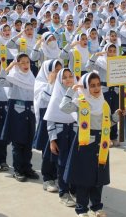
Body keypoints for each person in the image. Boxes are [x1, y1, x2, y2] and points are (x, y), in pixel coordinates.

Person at [60, 72, 122, 217]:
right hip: (85, 145)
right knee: (84, 178)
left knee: (98, 177)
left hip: (102, 145)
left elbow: (107, 123)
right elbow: (63, 107)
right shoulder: (81, 102)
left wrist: (116, 117)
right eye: (92, 85)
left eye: (98, 85)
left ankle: (96, 207)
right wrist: (72, 91)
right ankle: (82, 209)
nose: (96, 88)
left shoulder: (104, 103)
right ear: (86, 87)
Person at [0, 53, 38, 182]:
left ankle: (27, 168)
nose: (25, 65)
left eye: (27, 62)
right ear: (17, 64)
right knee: (18, 143)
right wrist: (10, 67)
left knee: (28, 143)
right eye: (22, 62)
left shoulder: (32, 78)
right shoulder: (13, 77)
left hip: (30, 112)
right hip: (17, 113)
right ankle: (18, 169)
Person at [44, 68, 78, 207]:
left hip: (75, 133)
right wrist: (52, 140)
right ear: (60, 80)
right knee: (62, 164)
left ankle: (74, 189)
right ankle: (64, 193)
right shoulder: (57, 96)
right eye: (65, 77)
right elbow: (51, 119)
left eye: (71, 76)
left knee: (75, 162)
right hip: (61, 134)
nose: (69, 79)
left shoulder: (78, 94)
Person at [33, 59, 62, 192]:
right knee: (48, 149)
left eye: (60, 70)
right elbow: (44, 99)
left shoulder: (62, 83)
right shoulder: (41, 83)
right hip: (47, 120)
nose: (58, 73)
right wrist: (51, 82)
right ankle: (47, 178)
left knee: (60, 148)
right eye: (55, 70)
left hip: (60, 119)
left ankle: (58, 176)